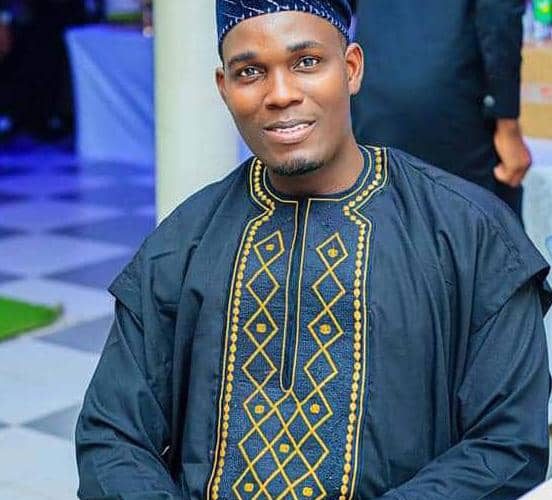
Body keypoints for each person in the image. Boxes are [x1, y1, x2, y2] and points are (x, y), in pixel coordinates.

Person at [76, 1, 552, 499]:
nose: (280, 94)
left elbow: (506, 444)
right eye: (250, 72)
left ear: (351, 68)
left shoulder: (470, 235)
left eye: (306, 62)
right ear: (224, 88)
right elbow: (112, 436)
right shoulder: (182, 244)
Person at [351, 0, 531, 218]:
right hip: (454, 104)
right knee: (477, 225)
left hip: (372, 91)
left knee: (382, 219)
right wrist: (507, 124)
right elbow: (499, 15)